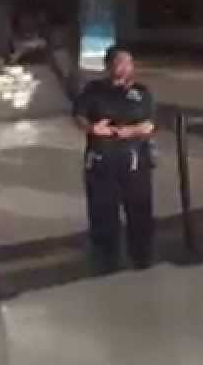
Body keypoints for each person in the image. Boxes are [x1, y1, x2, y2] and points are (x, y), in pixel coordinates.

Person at [74, 46, 157, 272]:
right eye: (118, 62)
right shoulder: (93, 90)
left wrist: (129, 132)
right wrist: (92, 128)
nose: (123, 67)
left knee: (139, 209)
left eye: (127, 62)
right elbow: (79, 115)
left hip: (134, 160)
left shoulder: (141, 92)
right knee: (102, 210)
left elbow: (149, 124)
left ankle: (141, 255)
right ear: (108, 66)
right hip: (101, 159)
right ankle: (105, 258)